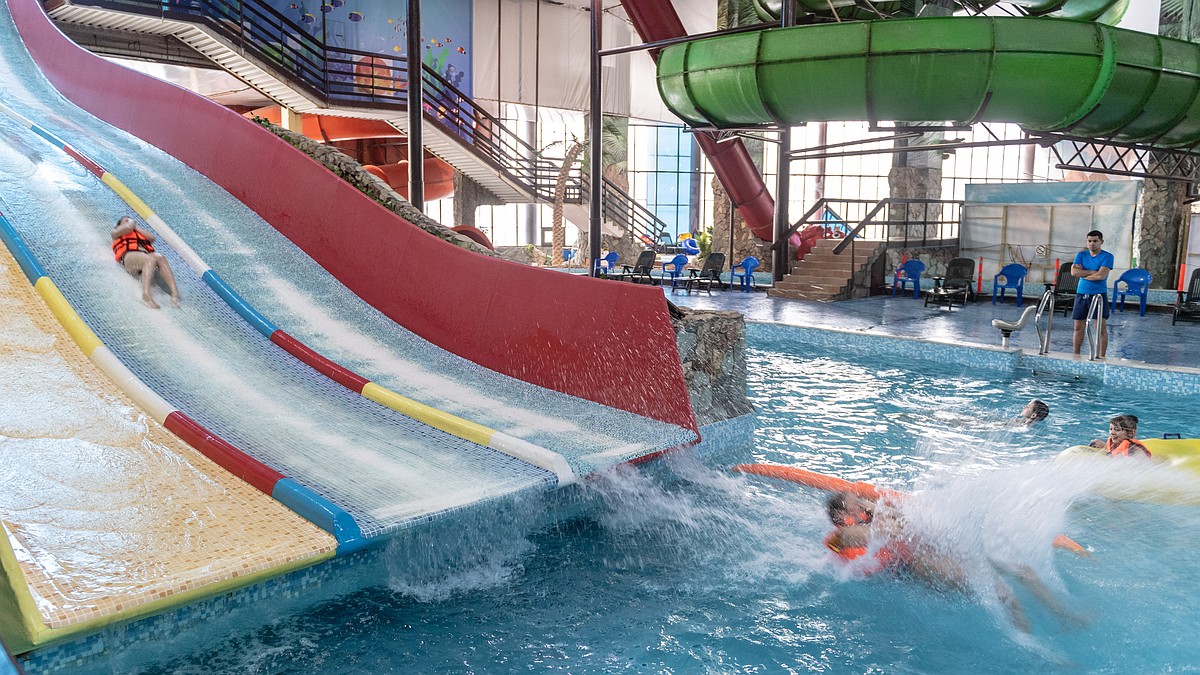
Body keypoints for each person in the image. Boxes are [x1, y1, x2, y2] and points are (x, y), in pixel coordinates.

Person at [822, 491, 1080, 634]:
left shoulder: (876, 517)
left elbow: (905, 524)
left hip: (925, 552)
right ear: (845, 514)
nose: (863, 502)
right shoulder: (844, 534)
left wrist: (884, 511)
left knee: (1019, 569)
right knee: (1003, 594)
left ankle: (1062, 614)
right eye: (857, 501)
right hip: (915, 568)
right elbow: (881, 534)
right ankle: (1030, 646)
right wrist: (882, 515)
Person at [111, 216, 181, 309]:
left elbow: (151, 238)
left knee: (160, 257)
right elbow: (128, 228)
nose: (130, 221)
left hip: (143, 255)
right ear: (119, 225)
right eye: (126, 220)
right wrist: (131, 224)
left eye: (130, 220)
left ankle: (174, 293)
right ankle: (146, 295)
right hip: (129, 256)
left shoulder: (136, 231)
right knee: (150, 260)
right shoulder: (115, 231)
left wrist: (135, 227)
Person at [1070, 230, 1114, 357]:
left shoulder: (1107, 256)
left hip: (1098, 295)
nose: (1092, 244)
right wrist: (1092, 272)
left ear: (1101, 242)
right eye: (1089, 241)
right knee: (1078, 327)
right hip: (1081, 294)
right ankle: (1076, 355)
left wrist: (1083, 273)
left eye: (1095, 241)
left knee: (1099, 327)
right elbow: (1073, 273)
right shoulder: (1081, 255)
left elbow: (1101, 276)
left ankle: (1101, 356)